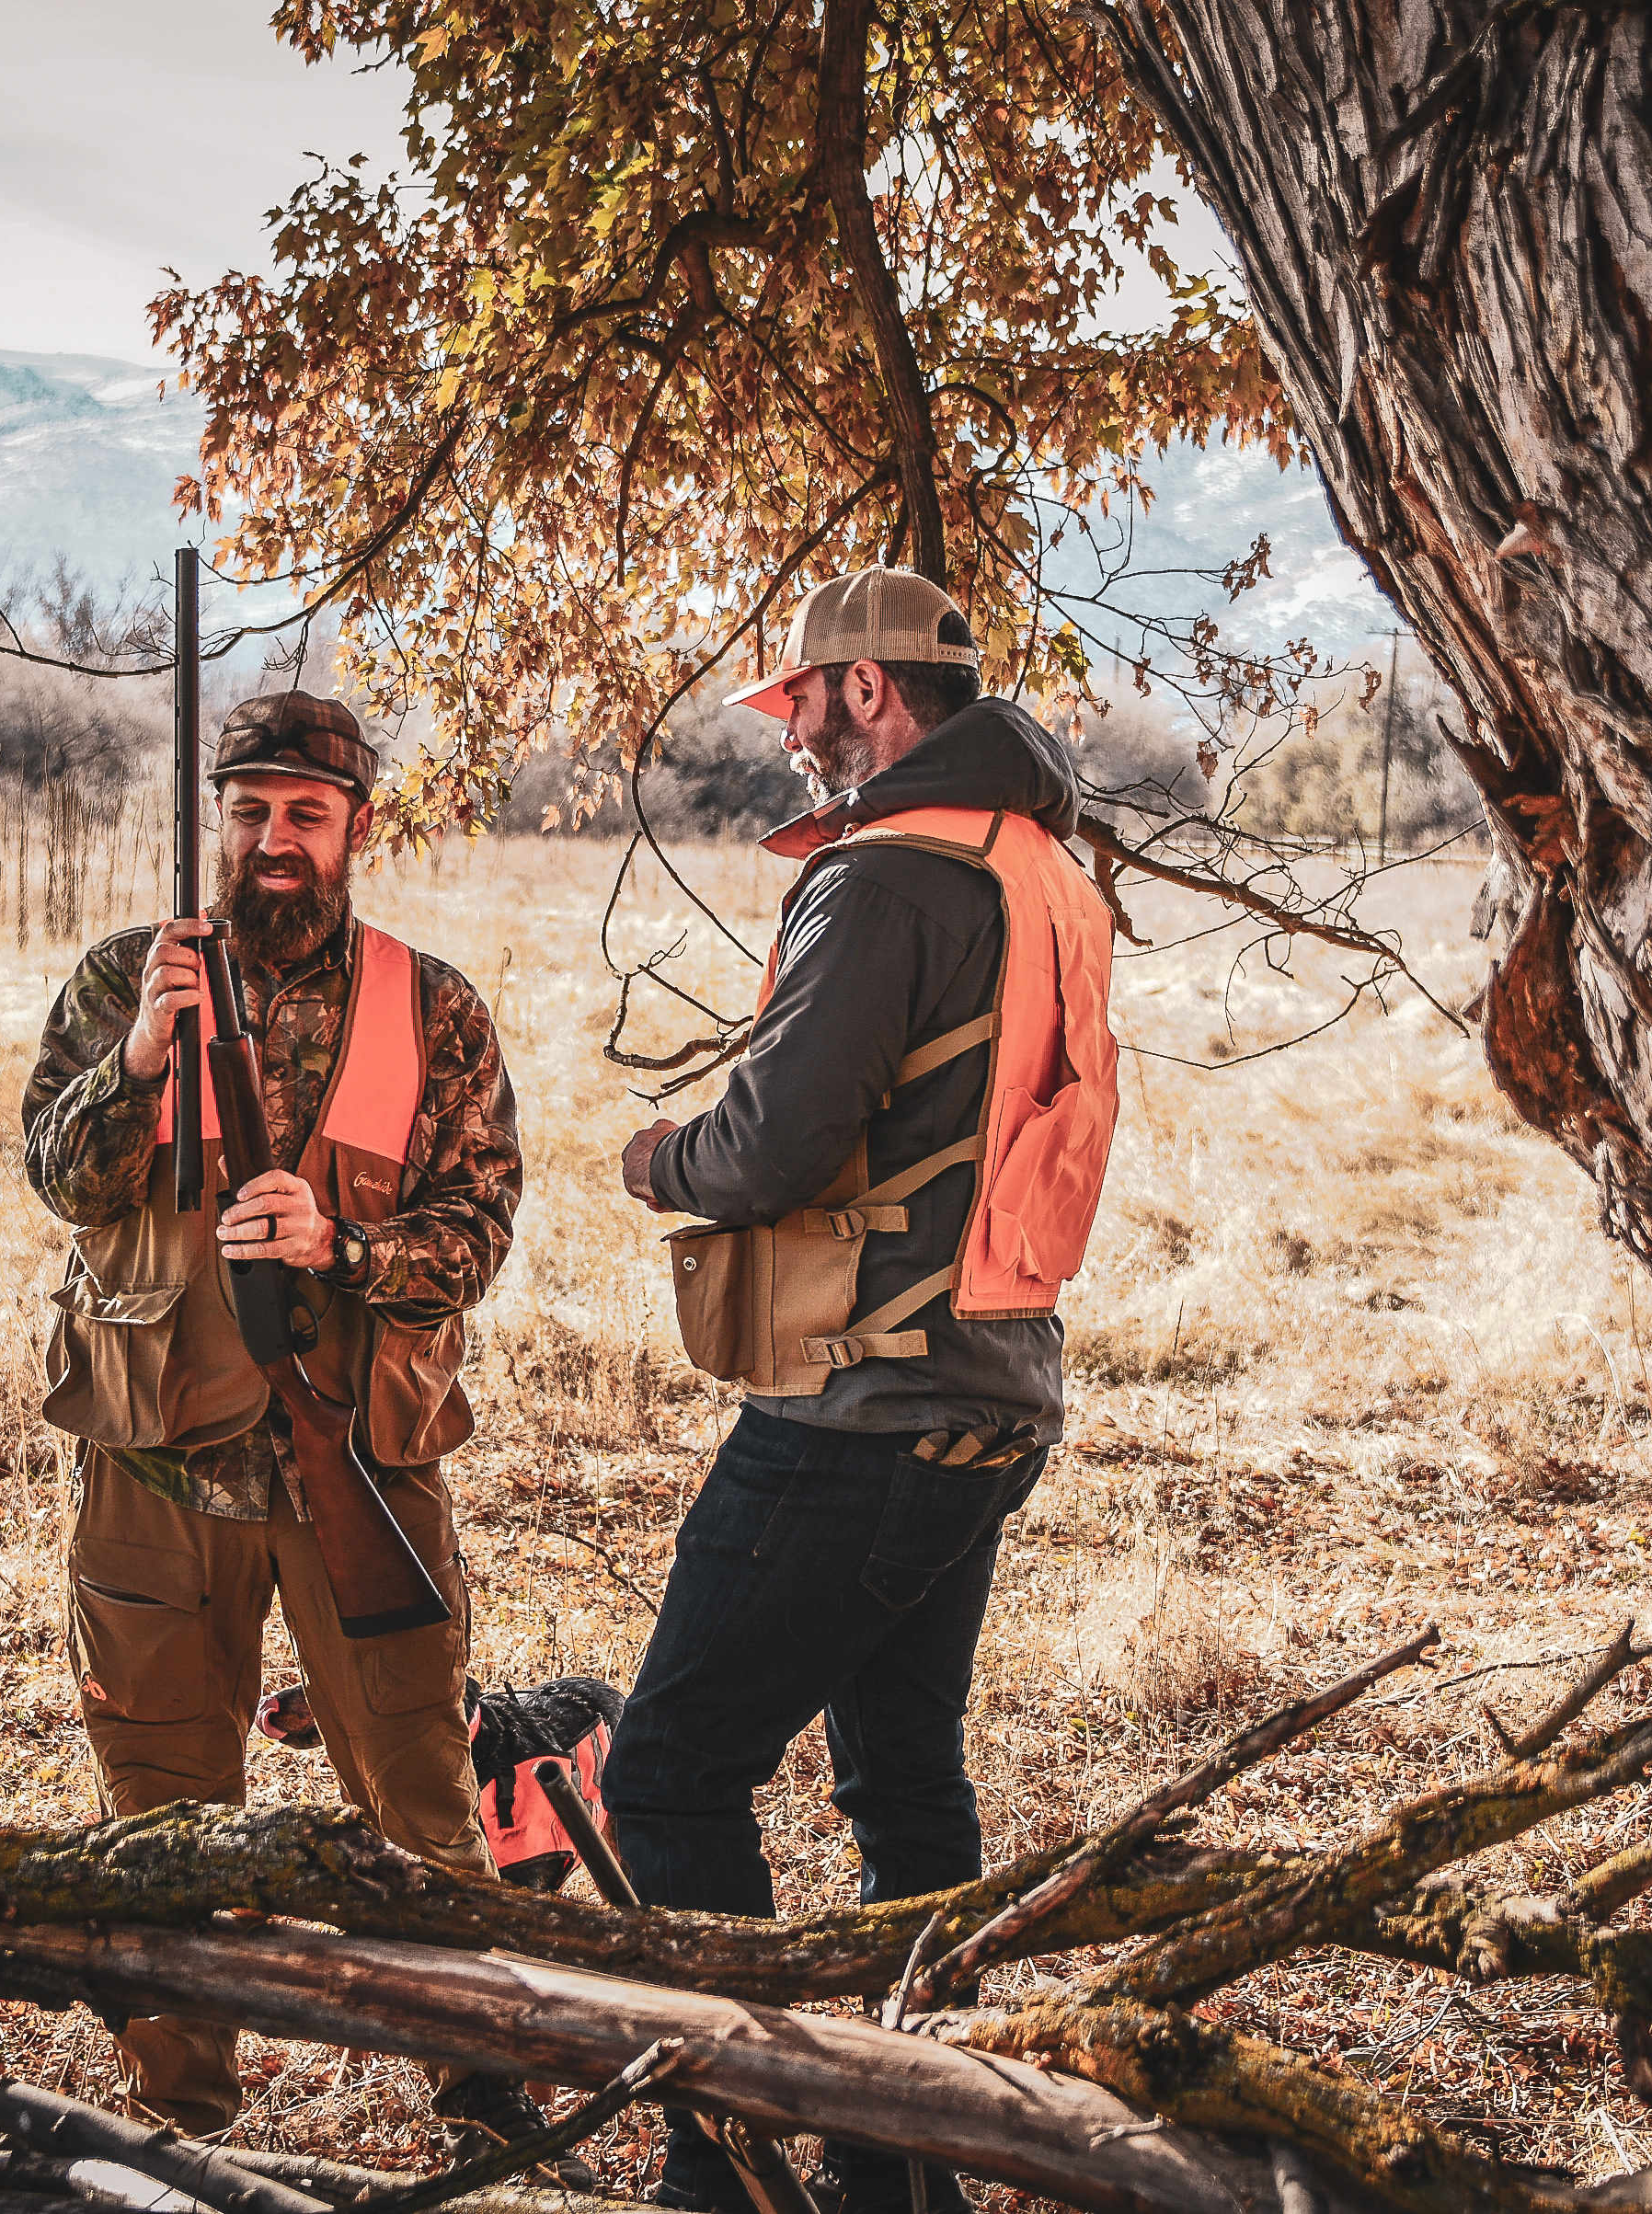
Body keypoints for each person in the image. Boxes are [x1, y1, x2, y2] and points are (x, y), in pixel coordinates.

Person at [603, 569, 1120, 2214]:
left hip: (863, 1400)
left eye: (805, 701)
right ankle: (909, 2178)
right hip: (994, 1387)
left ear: (872, 696)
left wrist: (661, 1155)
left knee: (667, 1770)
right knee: (904, 1783)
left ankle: (733, 2161)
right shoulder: (1040, 866)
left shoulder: (889, 871)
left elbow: (777, 1143)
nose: (796, 733)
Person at [20, 692, 555, 2155]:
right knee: (162, 1826)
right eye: (249, 809)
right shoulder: (129, 978)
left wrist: (342, 1251)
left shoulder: (430, 1003)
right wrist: (138, 1061)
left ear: (354, 830)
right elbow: (56, 1175)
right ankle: (177, 2131)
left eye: (305, 813)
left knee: (423, 1805)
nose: (274, 837)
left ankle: (482, 2100)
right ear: (221, 820)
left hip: (363, 1469)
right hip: (154, 1473)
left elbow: (481, 1224)